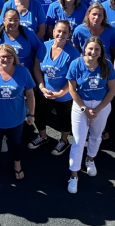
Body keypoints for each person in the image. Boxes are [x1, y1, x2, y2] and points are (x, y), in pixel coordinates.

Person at [65, 37, 115, 193]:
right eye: (90, 48)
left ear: (101, 52)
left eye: (97, 49)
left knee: (96, 136)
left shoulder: (106, 65)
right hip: (81, 105)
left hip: (101, 105)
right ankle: (74, 175)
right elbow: (72, 90)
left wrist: (99, 109)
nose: (93, 52)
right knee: (79, 140)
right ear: (84, 49)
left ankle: (90, 159)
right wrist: (85, 109)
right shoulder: (76, 64)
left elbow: (112, 90)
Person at [0, 43, 36, 180]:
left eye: (9, 56)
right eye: (2, 56)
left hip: (16, 117)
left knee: (16, 142)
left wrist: (31, 113)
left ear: (14, 57)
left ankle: (17, 166)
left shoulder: (23, 71)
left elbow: (30, 94)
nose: (6, 59)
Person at [31, 21, 81, 155]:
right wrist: (41, 86)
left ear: (69, 35)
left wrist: (59, 94)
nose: (61, 34)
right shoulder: (44, 47)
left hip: (64, 94)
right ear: (53, 32)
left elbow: (73, 78)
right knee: (39, 114)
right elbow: (37, 67)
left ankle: (64, 141)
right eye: (58, 31)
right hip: (45, 92)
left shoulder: (73, 53)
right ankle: (42, 136)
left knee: (64, 119)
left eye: (65, 32)